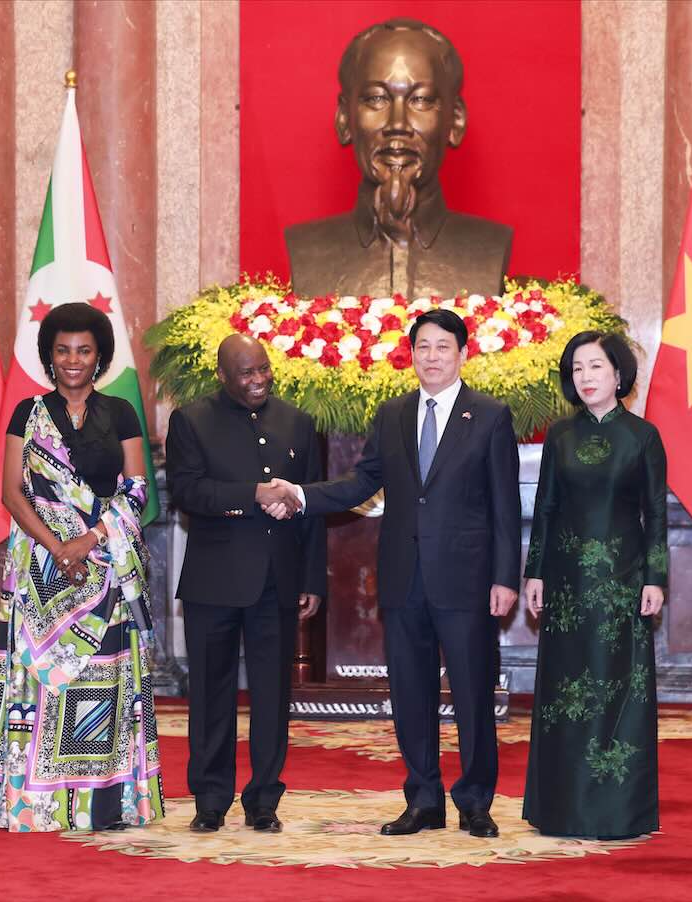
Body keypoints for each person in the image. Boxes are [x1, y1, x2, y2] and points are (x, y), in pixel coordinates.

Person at [266, 308, 521, 838]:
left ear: (463, 353)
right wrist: (300, 495)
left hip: (467, 579)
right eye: (423, 347)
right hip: (404, 576)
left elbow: (503, 506)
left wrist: (505, 578)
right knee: (411, 693)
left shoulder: (490, 415)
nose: (432, 357)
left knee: (472, 692)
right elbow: (361, 483)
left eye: (442, 347)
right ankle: (423, 799)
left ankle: (475, 801)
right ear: (412, 355)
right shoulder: (393, 414)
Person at [0, 301, 164, 833]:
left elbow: (135, 490)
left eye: (84, 350)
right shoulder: (27, 413)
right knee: (39, 688)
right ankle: (32, 803)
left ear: (99, 354)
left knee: (102, 682)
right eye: (63, 350)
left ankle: (102, 802)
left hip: (105, 564)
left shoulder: (122, 413)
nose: (73, 359)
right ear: (49, 355)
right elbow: (12, 493)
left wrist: (86, 540)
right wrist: (57, 547)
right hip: (40, 571)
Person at [165, 334, 326, 834]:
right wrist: (252, 494)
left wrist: (311, 577)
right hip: (213, 583)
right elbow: (187, 491)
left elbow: (314, 504)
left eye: (263, 370)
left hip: (278, 581)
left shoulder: (297, 421)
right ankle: (210, 798)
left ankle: (263, 799)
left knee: (273, 696)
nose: (258, 381)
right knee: (211, 695)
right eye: (246, 373)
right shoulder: (191, 420)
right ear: (223, 375)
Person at [522, 330, 668, 839]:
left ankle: (617, 813)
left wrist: (656, 578)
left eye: (596, 367)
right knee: (566, 695)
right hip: (564, 590)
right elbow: (545, 508)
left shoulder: (643, 436)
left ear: (619, 374)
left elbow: (655, 513)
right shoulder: (560, 436)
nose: (586, 377)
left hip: (623, 584)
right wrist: (533, 571)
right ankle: (560, 810)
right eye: (577, 369)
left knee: (617, 693)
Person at [285, 17, 512, 299]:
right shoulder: (306, 248)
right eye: (376, 99)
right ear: (344, 119)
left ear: (455, 120)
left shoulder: (490, 247)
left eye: (421, 100)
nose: (398, 124)